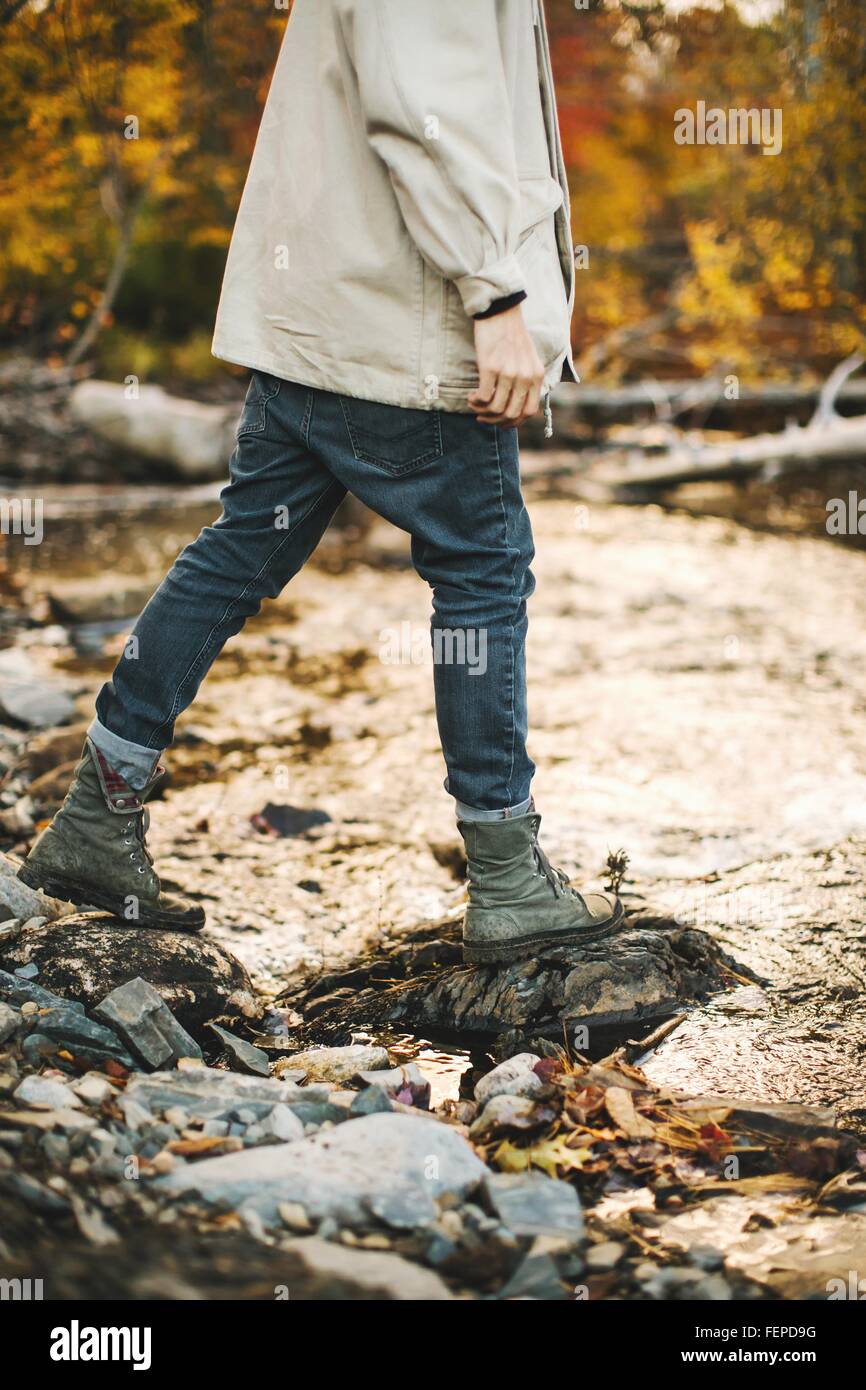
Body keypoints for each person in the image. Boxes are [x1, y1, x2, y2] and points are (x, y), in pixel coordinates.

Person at [19, 0, 623, 964]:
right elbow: (427, 116)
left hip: (319, 320)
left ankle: (97, 816)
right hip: (405, 320)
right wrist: (497, 295)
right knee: (484, 571)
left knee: (239, 548)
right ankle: (509, 879)